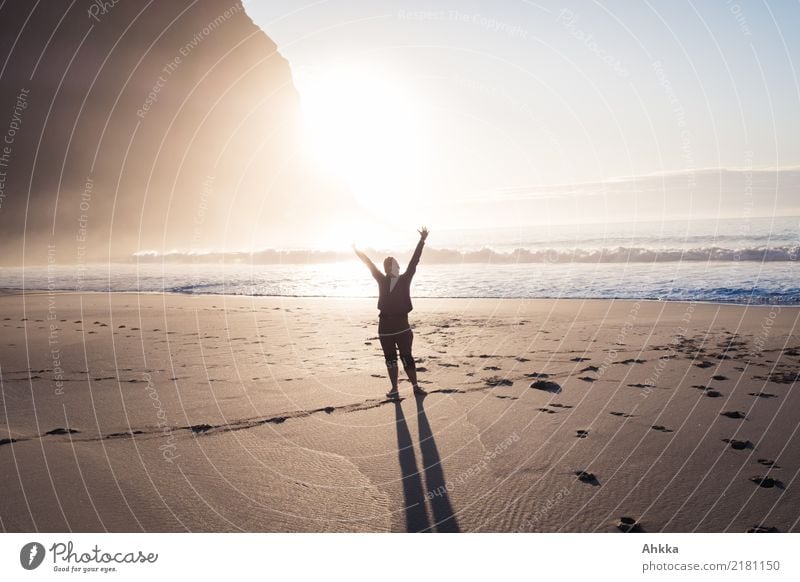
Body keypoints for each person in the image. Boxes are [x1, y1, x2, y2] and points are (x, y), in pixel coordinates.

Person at [353, 227, 429, 399]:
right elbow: (369, 264)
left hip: (402, 326)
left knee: (407, 357)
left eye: (398, 264)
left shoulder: (405, 279)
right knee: (390, 358)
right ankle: (394, 388)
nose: (399, 266)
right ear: (388, 268)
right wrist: (357, 251)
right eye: (395, 264)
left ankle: (416, 386)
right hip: (385, 326)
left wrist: (422, 240)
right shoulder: (381, 279)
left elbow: (414, 261)